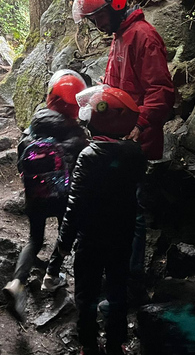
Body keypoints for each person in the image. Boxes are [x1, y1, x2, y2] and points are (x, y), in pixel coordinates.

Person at [72, 0, 175, 284]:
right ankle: (116, 273)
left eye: (99, 17)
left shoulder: (143, 36)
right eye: (91, 20)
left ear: (115, 5)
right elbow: (113, 89)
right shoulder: (120, 36)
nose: (96, 25)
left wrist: (139, 125)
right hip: (119, 139)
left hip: (137, 141)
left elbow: (161, 93)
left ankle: (131, 281)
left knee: (135, 212)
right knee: (120, 207)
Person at [57, 85, 148, 355]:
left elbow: (75, 204)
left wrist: (63, 243)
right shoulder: (135, 155)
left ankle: (88, 343)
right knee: (117, 289)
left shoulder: (88, 156)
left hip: (91, 239)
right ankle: (115, 343)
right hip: (122, 236)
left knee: (86, 293)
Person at [2, 69, 90, 321]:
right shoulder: (77, 134)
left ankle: (17, 282)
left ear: (51, 96)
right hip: (64, 198)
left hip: (36, 196)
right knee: (65, 237)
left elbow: (21, 162)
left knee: (34, 239)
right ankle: (52, 276)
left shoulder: (33, 127)